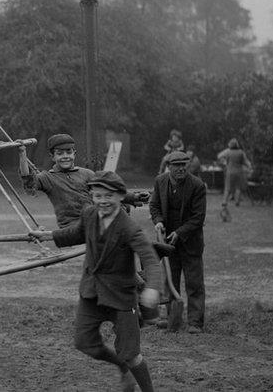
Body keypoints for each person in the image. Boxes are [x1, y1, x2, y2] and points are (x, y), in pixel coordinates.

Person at [29, 171, 161, 392]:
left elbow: (150, 259)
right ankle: (121, 367)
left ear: (120, 196)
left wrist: (152, 288)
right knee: (84, 343)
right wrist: (48, 235)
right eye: (97, 196)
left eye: (108, 196)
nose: (102, 201)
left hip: (121, 297)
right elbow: (75, 234)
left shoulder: (129, 228)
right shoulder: (90, 214)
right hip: (91, 293)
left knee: (130, 354)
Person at [19, 133, 146, 229]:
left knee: (122, 209)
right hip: (71, 227)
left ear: (74, 154)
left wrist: (134, 196)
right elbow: (29, 182)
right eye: (60, 153)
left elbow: (107, 192)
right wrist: (22, 154)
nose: (65, 157)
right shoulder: (48, 178)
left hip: (93, 221)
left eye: (68, 152)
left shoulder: (87, 173)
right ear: (53, 157)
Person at [149, 150, 207, 334]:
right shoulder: (160, 181)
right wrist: (158, 220)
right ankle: (173, 319)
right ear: (169, 166)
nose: (181, 168)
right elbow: (154, 205)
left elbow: (198, 217)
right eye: (177, 165)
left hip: (190, 243)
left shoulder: (197, 185)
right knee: (170, 281)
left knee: (194, 283)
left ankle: (195, 322)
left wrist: (179, 233)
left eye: (184, 164)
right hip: (168, 244)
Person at [217, 138, 252, 220]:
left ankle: (224, 202)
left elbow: (219, 156)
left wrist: (224, 162)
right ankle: (237, 202)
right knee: (238, 187)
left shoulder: (228, 151)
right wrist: (250, 167)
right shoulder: (241, 152)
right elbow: (246, 162)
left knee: (228, 188)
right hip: (239, 172)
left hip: (230, 172)